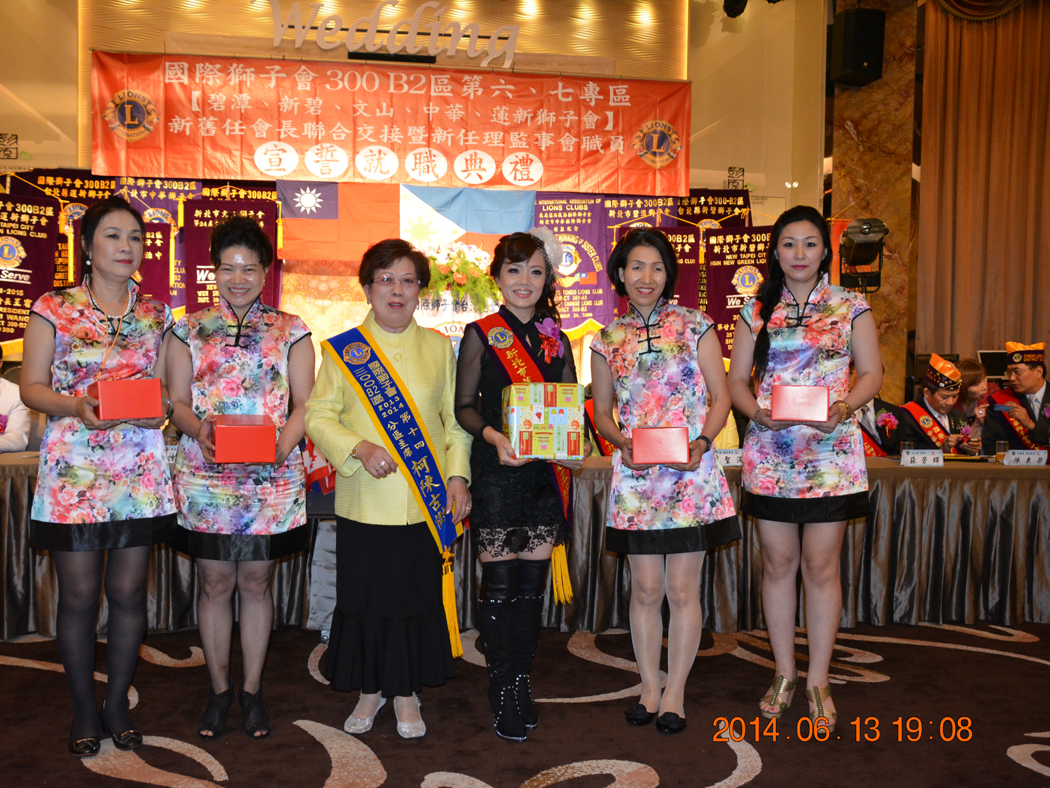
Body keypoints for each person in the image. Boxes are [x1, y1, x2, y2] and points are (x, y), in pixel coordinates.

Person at [19, 195, 177, 757]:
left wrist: (162, 410)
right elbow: (30, 387)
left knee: (129, 592)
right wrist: (75, 405)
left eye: (135, 237)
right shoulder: (54, 306)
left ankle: (116, 705)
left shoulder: (156, 313)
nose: (126, 247)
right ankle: (84, 707)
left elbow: (165, 390)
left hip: (138, 469)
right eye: (112, 236)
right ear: (86, 245)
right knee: (80, 595)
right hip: (74, 470)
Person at [305, 238, 472, 740]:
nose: (396, 290)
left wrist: (458, 477)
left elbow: (454, 425)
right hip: (364, 503)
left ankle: (405, 693)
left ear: (420, 290)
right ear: (367, 288)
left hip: (424, 504)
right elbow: (317, 415)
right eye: (385, 279)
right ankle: (370, 689)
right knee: (365, 600)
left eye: (407, 280)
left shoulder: (439, 348)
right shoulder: (343, 350)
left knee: (413, 601)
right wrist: (357, 447)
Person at [726, 205, 882, 732]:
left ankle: (818, 678)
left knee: (820, 567)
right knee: (777, 564)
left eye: (810, 243)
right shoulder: (755, 309)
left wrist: (844, 406)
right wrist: (756, 414)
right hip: (771, 453)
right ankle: (784, 672)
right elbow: (736, 381)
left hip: (830, 454)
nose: (799, 253)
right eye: (789, 243)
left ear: (825, 251)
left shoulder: (850, 305)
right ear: (775, 251)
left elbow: (872, 372)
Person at [167, 216, 314, 740]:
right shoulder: (187, 328)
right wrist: (198, 429)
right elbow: (176, 401)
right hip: (206, 473)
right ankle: (218, 690)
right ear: (213, 270)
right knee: (214, 582)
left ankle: (251, 691)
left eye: (249, 268)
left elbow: (305, 403)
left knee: (255, 581)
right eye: (228, 268)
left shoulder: (291, 329)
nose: (238, 278)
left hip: (271, 475)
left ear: (265, 271)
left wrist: (281, 447)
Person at [589, 227, 741, 736]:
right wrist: (621, 442)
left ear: (668, 274)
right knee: (646, 588)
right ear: (620, 273)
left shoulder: (696, 325)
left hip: (690, 475)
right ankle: (648, 686)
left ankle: (675, 691)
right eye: (636, 266)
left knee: (681, 588)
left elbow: (721, 396)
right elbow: (603, 411)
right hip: (637, 480)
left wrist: (703, 441)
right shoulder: (607, 339)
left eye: (656, 267)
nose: (646, 277)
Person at [454, 229, 587, 741]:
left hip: (542, 476)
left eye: (535, 271)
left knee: (531, 591)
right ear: (497, 277)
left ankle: (520, 681)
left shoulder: (559, 337)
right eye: (514, 270)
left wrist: (574, 447)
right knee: (500, 587)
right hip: (497, 471)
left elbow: (570, 405)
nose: (524, 280)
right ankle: (501, 685)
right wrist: (493, 436)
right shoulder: (481, 333)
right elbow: (463, 407)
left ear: (548, 278)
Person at [982, 342, 1050, 453]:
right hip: (1015, 463)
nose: (1012, 378)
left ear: (1038, 372)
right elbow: (991, 444)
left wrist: (1032, 425)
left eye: (1017, 372)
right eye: (1009, 372)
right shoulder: (1001, 400)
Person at [896, 354, 981, 455]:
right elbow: (906, 455)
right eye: (944, 397)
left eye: (955, 396)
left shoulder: (959, 416)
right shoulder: (907, 416)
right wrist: (940, 451)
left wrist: (972, 450)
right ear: (927, 393)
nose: (951, 402)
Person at [848, 362, 899, 457]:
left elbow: (899, 452)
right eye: (865, 376)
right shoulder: (840, 411)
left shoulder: (893, 412)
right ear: (848, 377)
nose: (871, 381)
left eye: (877, 377)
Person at [956, 358, 991, 426]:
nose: (984, 387)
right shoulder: (951, 406)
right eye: (976, 384)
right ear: (963, 387)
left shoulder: (991, 396)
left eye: (984, 380)